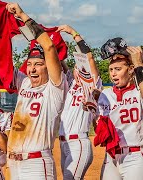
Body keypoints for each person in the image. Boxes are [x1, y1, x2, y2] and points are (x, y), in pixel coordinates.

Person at [5, 3, 67, 180]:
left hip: (37, 163)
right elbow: (3, 60)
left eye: (38, 64)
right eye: (30, 64)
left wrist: (23, 15)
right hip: (14, 163)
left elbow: (48, 47)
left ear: (48, 67)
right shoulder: (24, 83)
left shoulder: (55, 89)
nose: (32, 69)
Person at [57, 25, 101, 180]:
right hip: (64, 144)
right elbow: (58, 60)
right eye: (76, 66)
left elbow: (89, 57)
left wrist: (73, 33)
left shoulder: (93, 83)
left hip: (79, 142)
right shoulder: (70, 82)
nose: (79, 69)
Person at [97, 38, 143, 180]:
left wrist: (138, 64)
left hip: (135, 156)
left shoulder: (138, 90)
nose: (113, 74)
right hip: (111, 156)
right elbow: (99, 129)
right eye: (111, 70)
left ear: (130, 70)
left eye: (118, 69)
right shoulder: (106, 94)